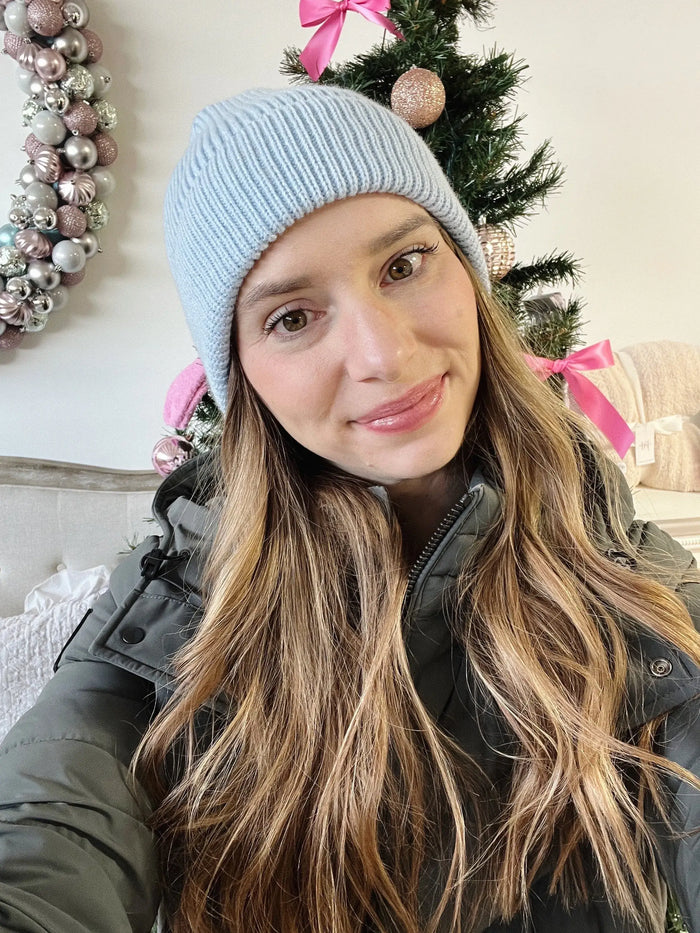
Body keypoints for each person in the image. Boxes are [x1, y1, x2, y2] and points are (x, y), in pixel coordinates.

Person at [0, 86, 699, 933]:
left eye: (404, 265)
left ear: (466, 268)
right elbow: (54, 824)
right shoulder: (175, 607)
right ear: (243, 370)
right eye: (293, 317)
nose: (383, 354)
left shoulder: (627, 577)